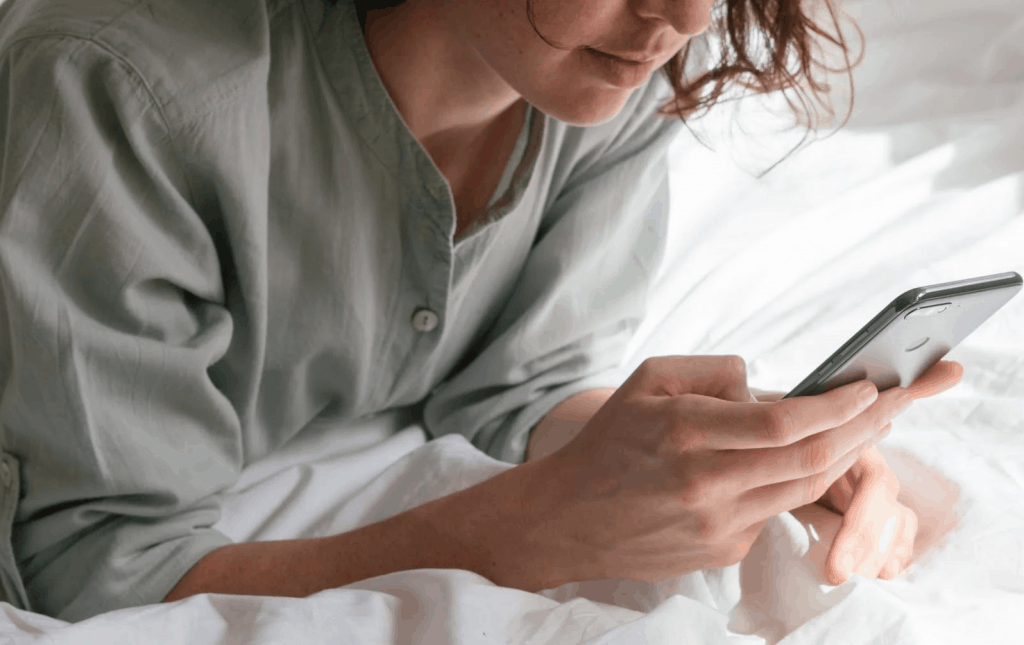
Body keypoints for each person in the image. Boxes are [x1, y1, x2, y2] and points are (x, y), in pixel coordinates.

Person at [0, 0, 960, 623]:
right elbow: (99, 570)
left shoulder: (608, 78)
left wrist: (750, 455)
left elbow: (520, 382)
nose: (686, 14)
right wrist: (526, 527)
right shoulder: (118, 86)